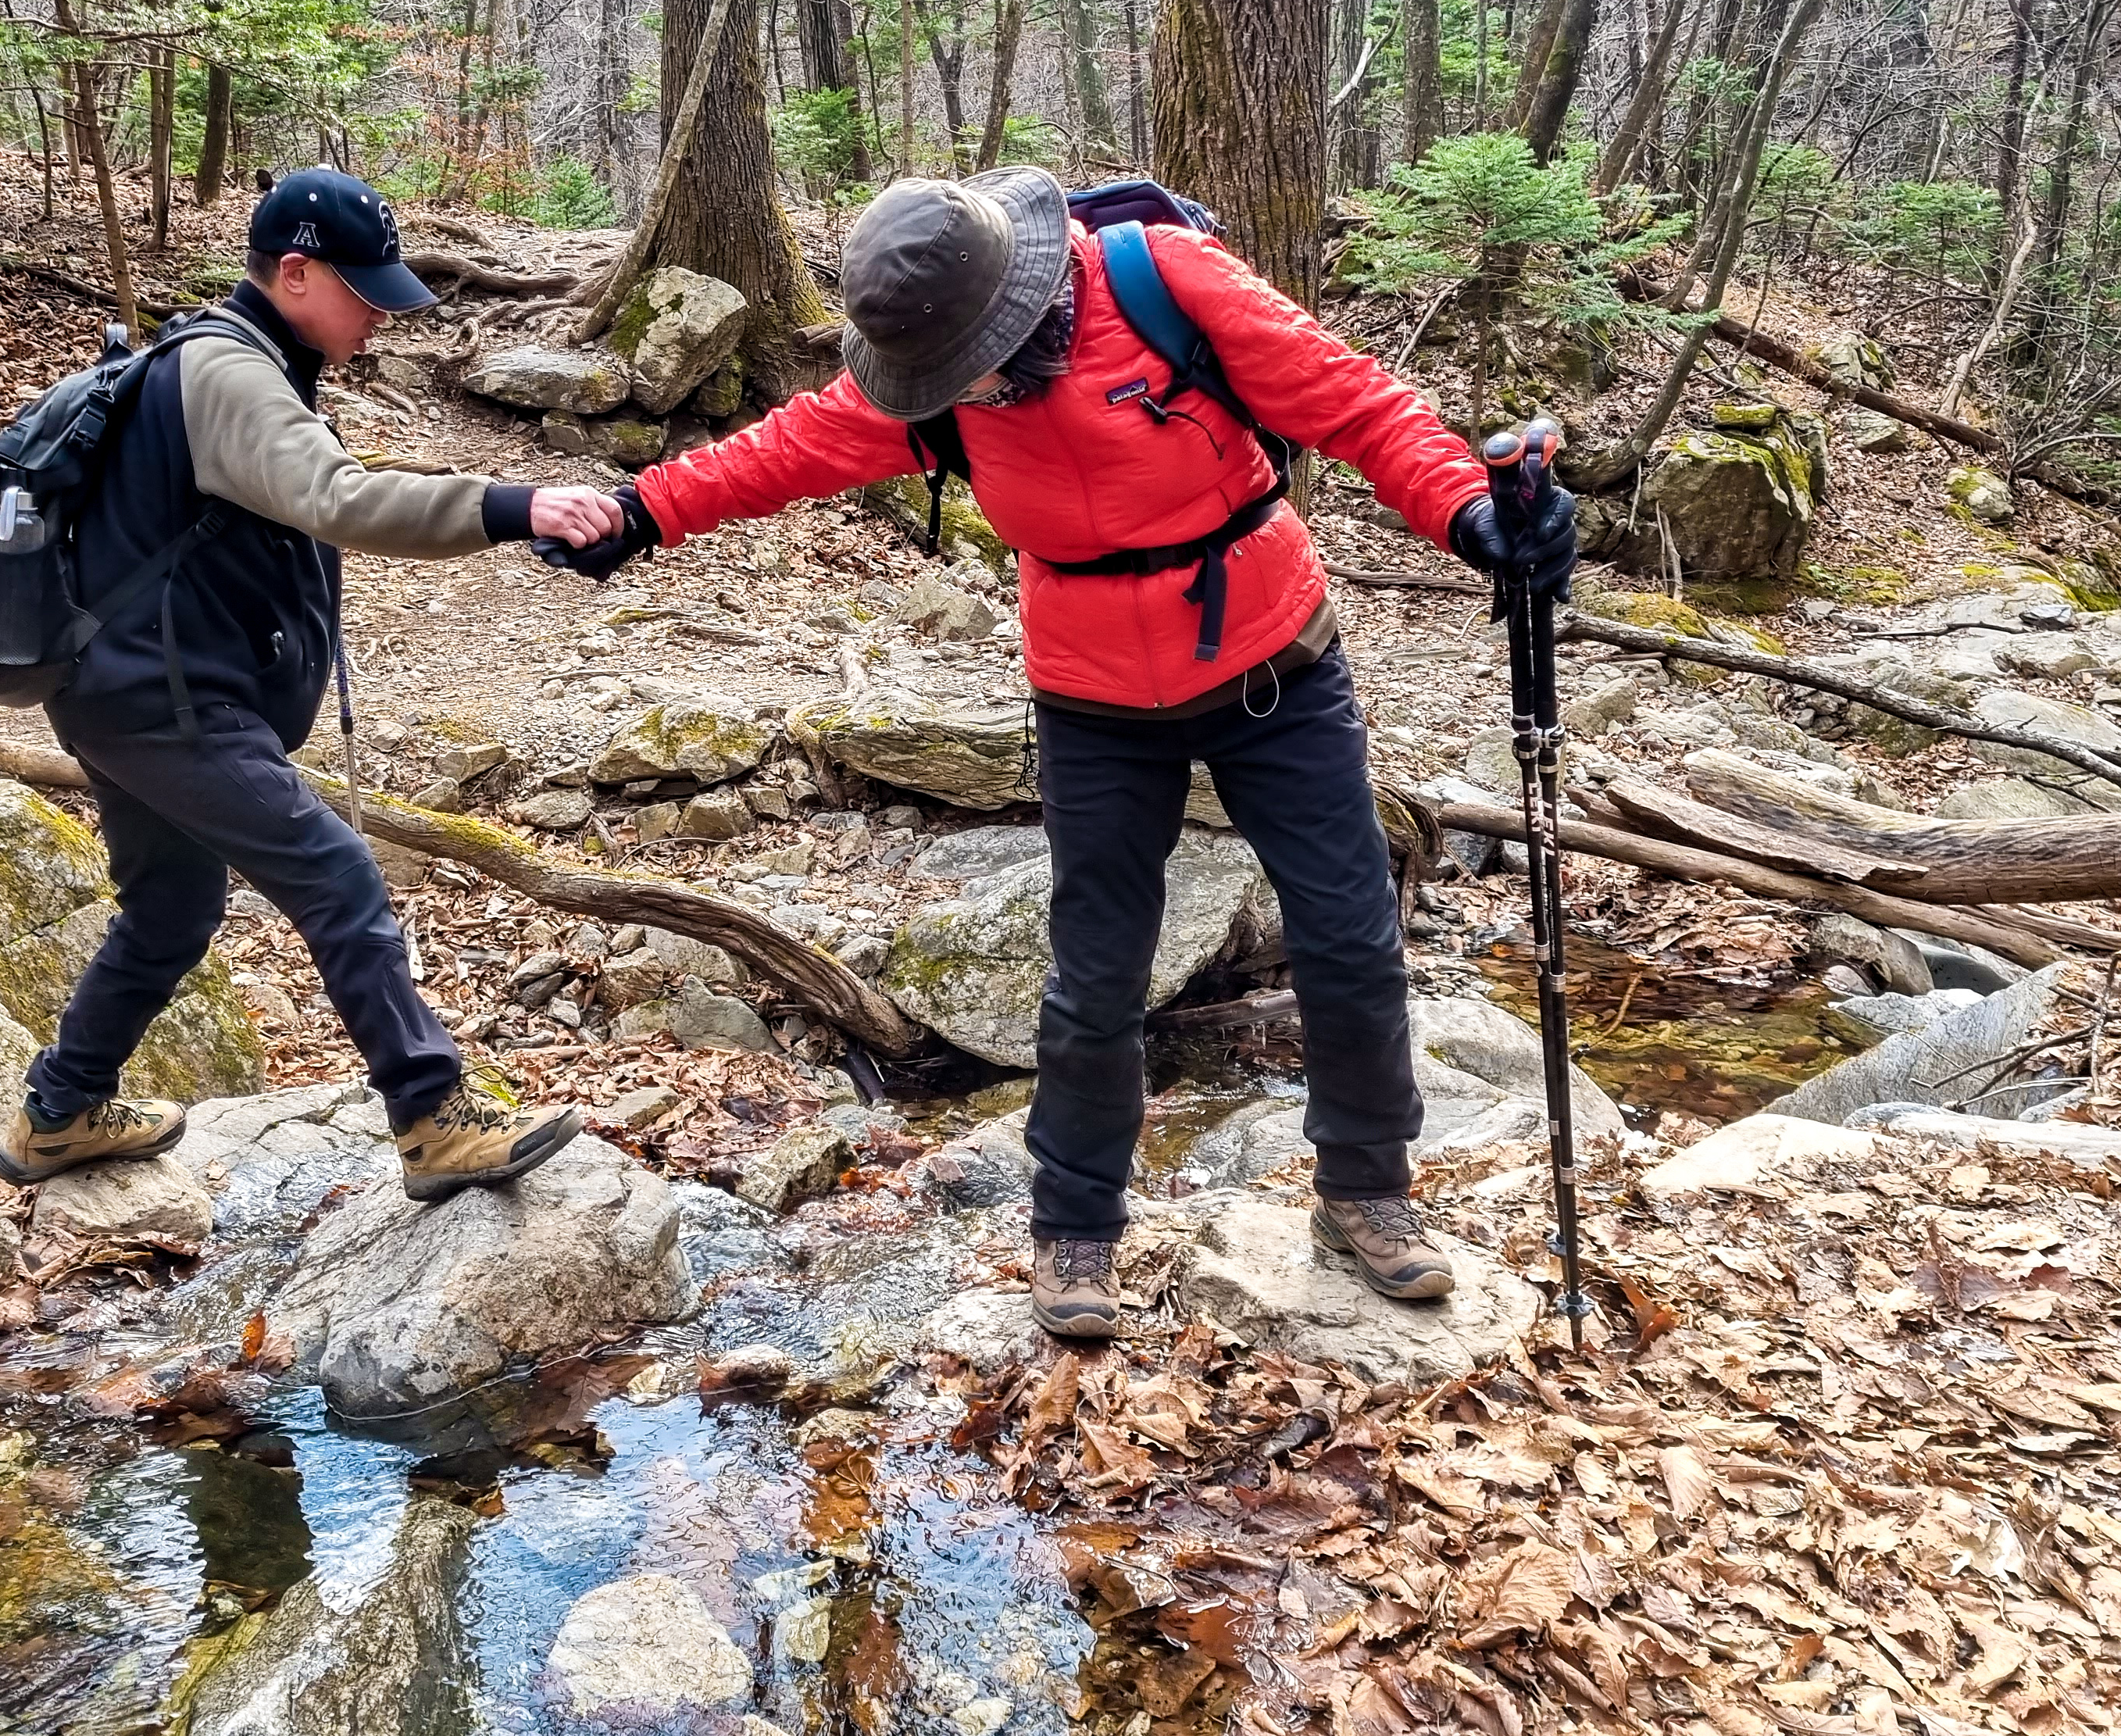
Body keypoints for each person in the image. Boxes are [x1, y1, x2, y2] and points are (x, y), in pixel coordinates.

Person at [558, 169, 1575, 1338]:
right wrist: (639, 513)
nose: (964, 396)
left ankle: (1365, 1192)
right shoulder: (932, 371)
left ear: (1026, 302)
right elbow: (784, 451)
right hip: (1091, 694)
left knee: (1347, 935)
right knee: (1097, 971)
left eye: (973, 368)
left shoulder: (1162, 284)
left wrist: (1468, 514)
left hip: (1271, 660)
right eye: (942, 385)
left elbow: (1354, 406)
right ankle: (1075, 1228)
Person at [0, 167, 628, 1202]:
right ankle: (431, 1117)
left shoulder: (220, 359)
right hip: (166, 703)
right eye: (364, 292)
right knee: (338, 878)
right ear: (294, 272)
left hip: (117, 691)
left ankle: (58, 1114)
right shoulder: (228, 372)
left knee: (170, 907)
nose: (380, 314)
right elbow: (331, 497)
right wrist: (517, 506)